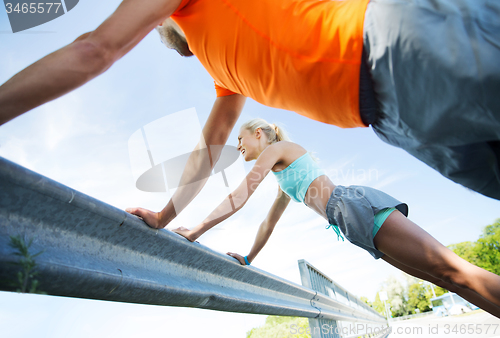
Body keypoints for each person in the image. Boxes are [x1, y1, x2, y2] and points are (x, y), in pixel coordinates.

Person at [0, 0, 499, 219]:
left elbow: (95, 49)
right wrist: (165, 216)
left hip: (391, 46)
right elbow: (206, 153)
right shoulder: (223, 73)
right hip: (392, 117)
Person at [162, 118, 500, 318]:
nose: (237, 145)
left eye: (241, 138)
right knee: (445, 279)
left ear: (261, 134)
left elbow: (240, 195)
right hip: (350, 222)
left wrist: (195, 230)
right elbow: (268, 222)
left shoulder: (277, 150)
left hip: (352, 206)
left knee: (456, 271)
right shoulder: (285, 178)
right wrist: (249, 257)